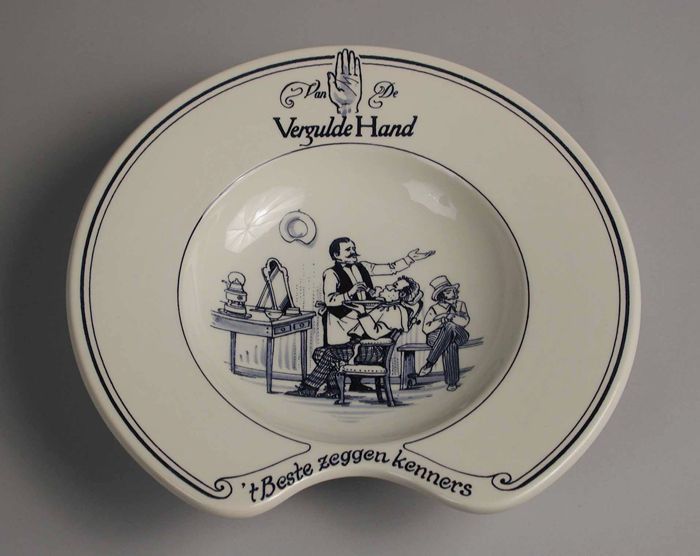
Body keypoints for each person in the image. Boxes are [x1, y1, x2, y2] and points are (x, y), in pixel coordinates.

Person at [319, 237, 432, 393]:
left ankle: (355, 384)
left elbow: (390, 268)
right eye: (348, 249)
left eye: (353, 248)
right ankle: (333, 389)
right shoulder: (331, 273)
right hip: (340, 321)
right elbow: (330, 300)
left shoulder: (363, 266)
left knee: (352, 352)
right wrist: (350, 292)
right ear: (336, 255)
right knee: (336, 351)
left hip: (362, 318)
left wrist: (409, 258)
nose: (353, 252)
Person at [286, 276, 422, 397]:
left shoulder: (396, 312)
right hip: (361, 347)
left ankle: (309, 388)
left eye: (394, 287)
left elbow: (375, 333)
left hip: (372, 350)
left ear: (401, 294)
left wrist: (362, 314)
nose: (388, 286)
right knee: (319, 353)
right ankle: (334, 389)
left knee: (329, 354)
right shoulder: (387, 306)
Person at [419, 276, 470, 391]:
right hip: (436, 336)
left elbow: (465, 321)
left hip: (458, 334)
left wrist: (451, 317)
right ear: (442, 295)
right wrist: (441, 320)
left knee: (450, 326)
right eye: (448, 291)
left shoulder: (460, 304)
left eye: (452, 290)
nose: (453, 292)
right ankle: (452, 382)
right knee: (450, 343)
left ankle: (429, 363)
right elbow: (426, 328)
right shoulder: (434, 309)